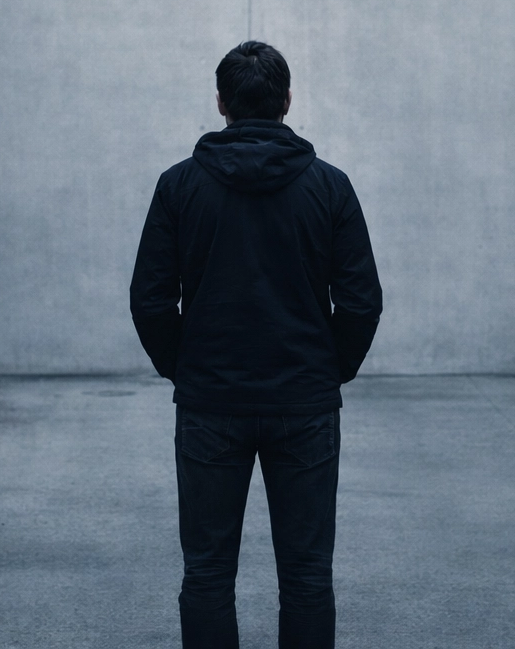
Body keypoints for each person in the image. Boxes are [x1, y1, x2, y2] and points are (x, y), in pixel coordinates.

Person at [130, 40, 384, 649]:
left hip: (211, 402)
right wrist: (328, 371)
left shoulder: (179, 186)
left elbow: (150, 301)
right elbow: (360, 303)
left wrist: (185, 368)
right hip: (304, 403)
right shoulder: (330, 187)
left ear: (220, 103)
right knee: (305, 573)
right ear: (287, 101)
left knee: (209, 572)